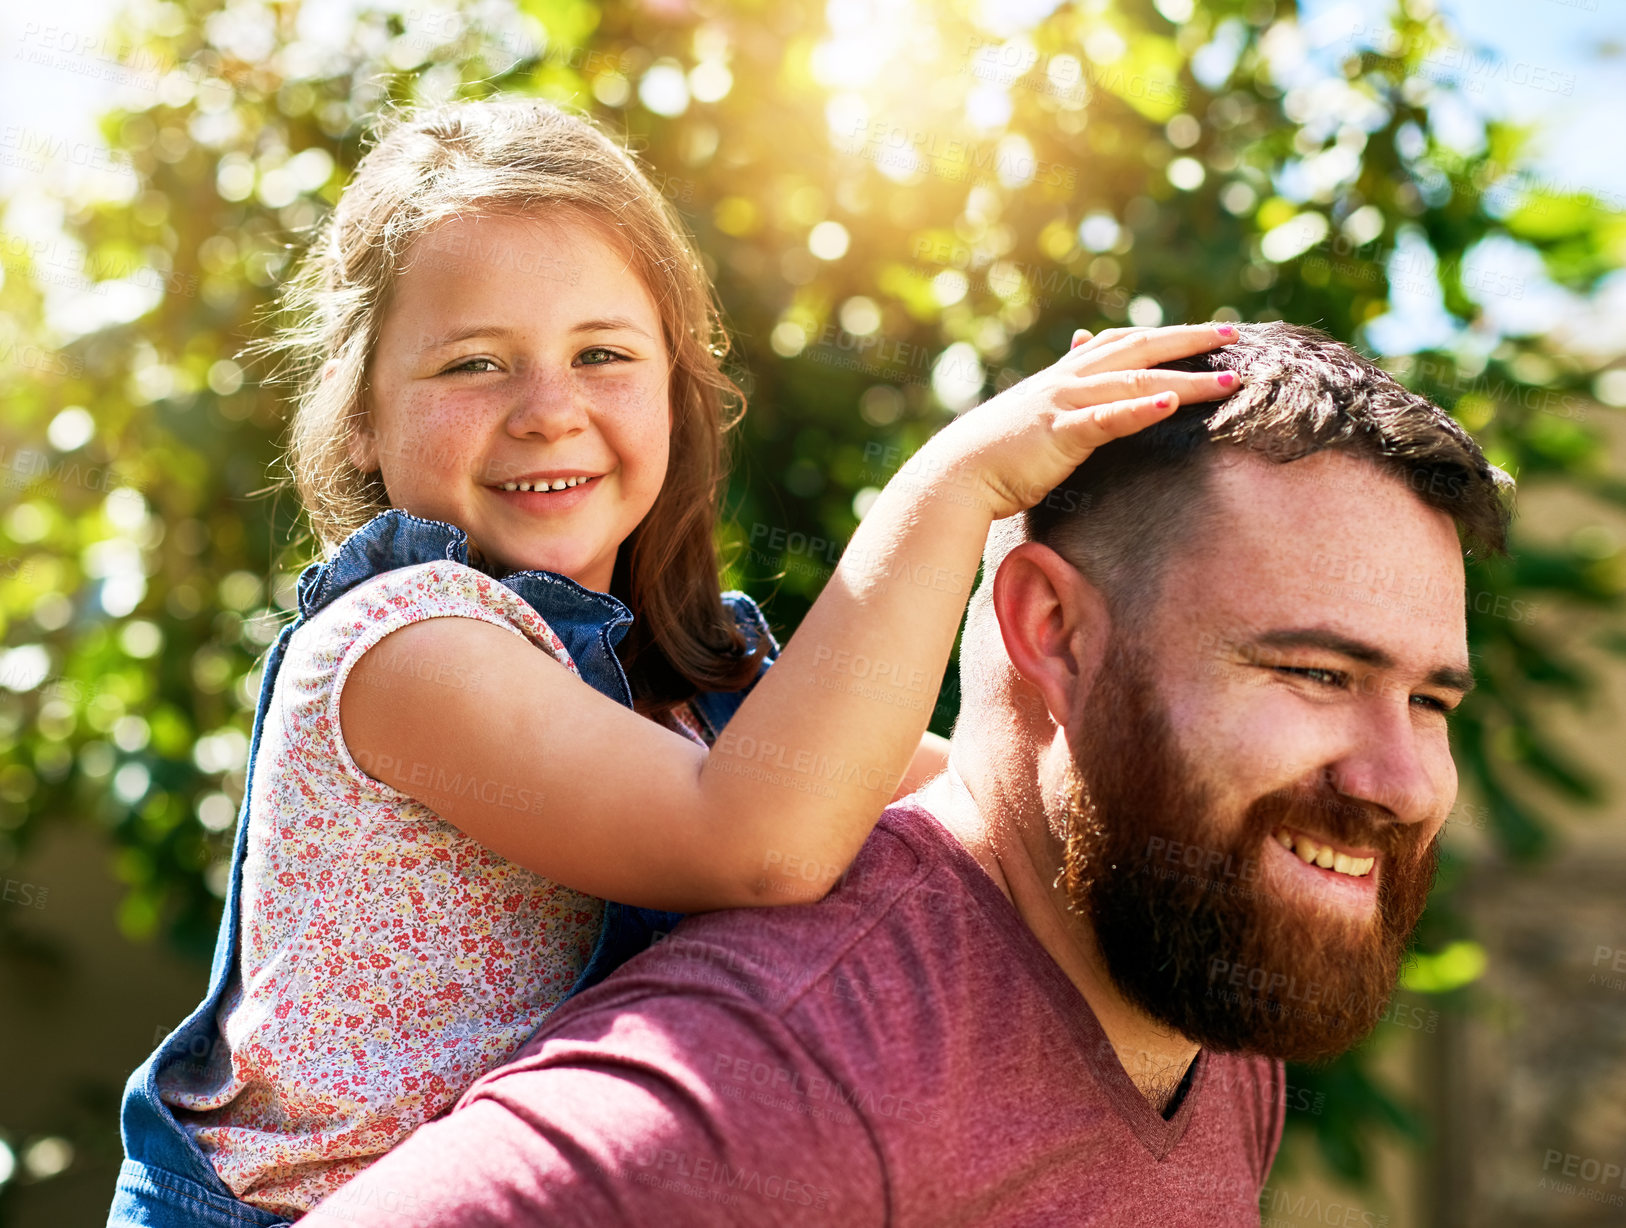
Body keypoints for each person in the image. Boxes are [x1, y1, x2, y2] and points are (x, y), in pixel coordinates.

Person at [108, 96, 1241, 1227]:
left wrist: (1071, 549)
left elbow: (981, 815)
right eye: (473, 365)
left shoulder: (704, 687)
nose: (549, 410)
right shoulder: (403, 645)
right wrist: (955, 486)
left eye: (601, 353)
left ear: (673, 387)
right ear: (360, 413)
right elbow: (759, 844)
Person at [295, 322, 1513, 1227]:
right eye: (1311, 673)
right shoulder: (786, 1071)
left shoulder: (1202, 963)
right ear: (1053, 633)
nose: (1400, 778)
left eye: (1430, 699)